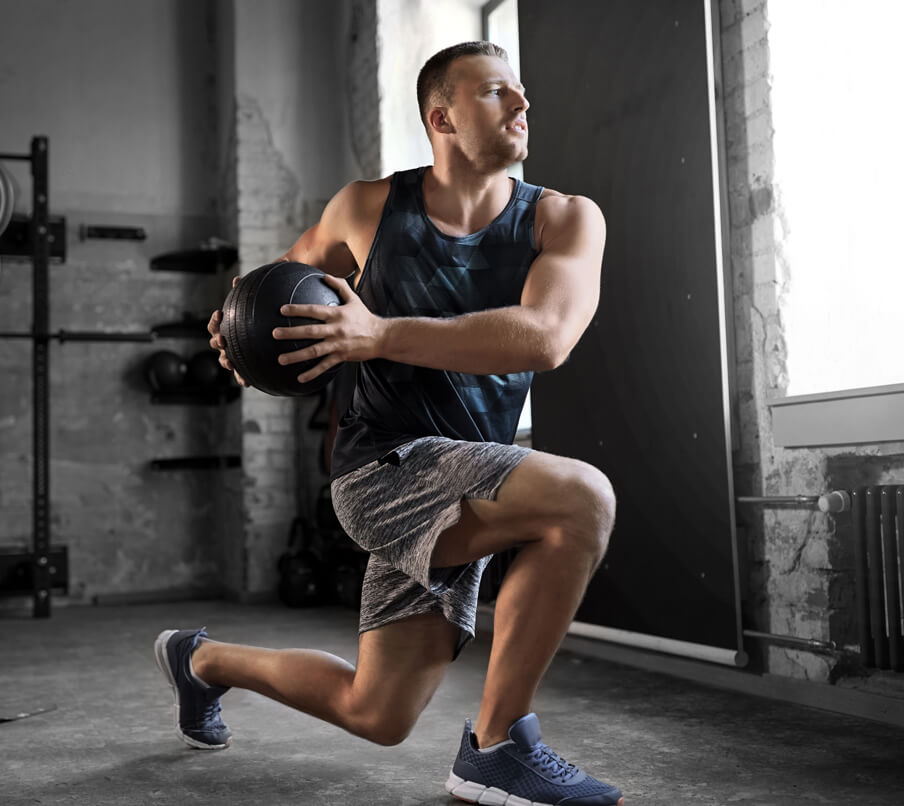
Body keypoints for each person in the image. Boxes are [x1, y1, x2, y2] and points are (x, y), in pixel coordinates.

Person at [155, 41, 623, 806]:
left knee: (376, 712)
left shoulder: (564, 220)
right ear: (442, 117)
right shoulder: (366, 209)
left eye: (520, 91)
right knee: (583, 500)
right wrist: (237, 335)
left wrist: (378, 335)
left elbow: (546, 337)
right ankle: (499, 747)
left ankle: (200, 661)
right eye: (496, 91)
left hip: (469, 481)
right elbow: (279, 297)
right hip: (382, 471)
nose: (522, 103)